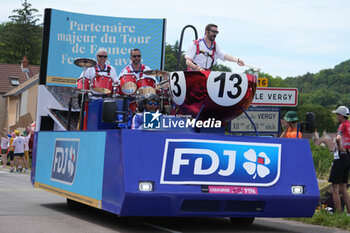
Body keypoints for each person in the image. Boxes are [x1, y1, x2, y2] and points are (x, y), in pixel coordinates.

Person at [329, 106, 350, 215]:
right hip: (348, 156)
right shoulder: (349, 125)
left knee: (335, 187)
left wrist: (339, 146)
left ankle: (339, 214)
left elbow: (338, 138)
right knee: (344, 187)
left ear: (341, 116)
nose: (336, 117)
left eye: (337, 115)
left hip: (341, 156)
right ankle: (349, 214)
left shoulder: (342, 125)